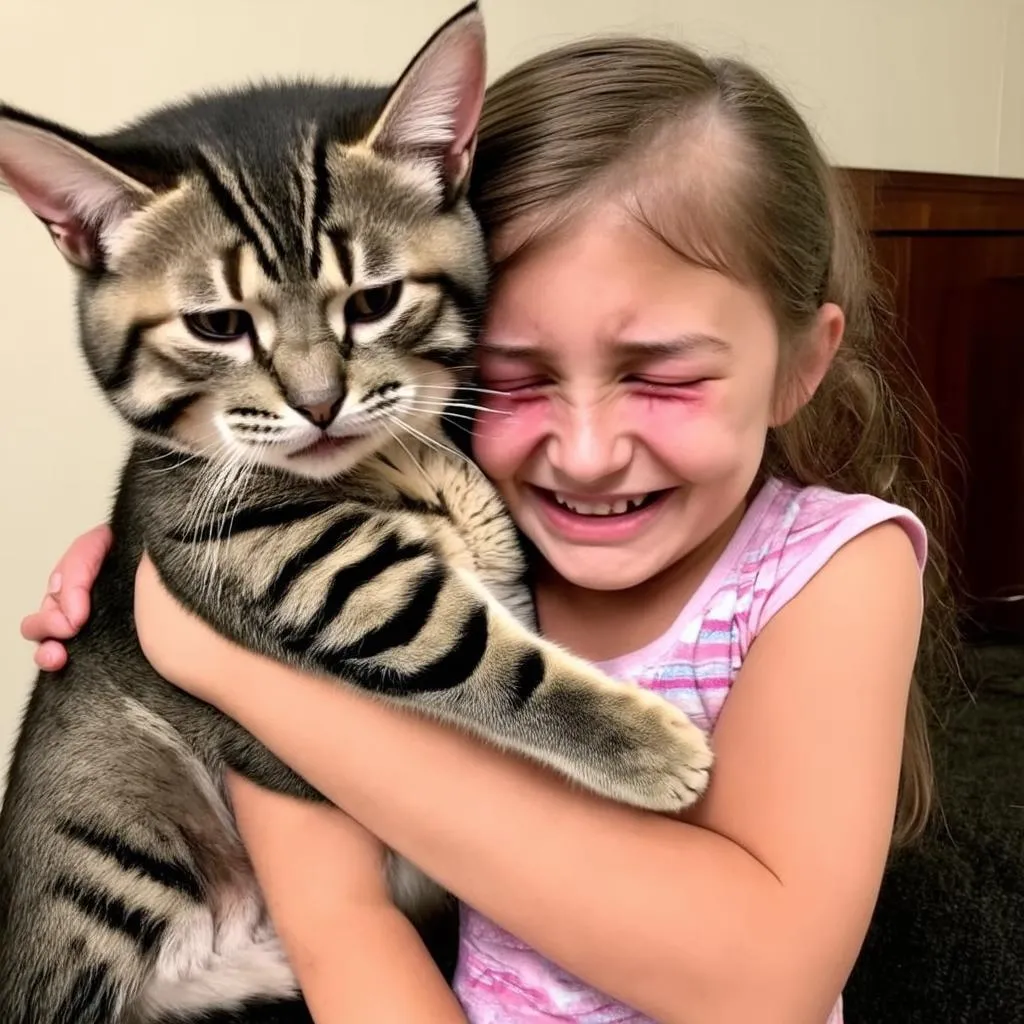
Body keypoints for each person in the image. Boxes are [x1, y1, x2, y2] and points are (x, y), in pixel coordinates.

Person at [20, 34, 954, 1024]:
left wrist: (228, 661)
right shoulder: (433, 528)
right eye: (513, 375)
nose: (586, 452)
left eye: (664, 374)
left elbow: (762, 981)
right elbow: (336, 922)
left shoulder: (833, 568)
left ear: (802, 363)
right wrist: (152, 584)